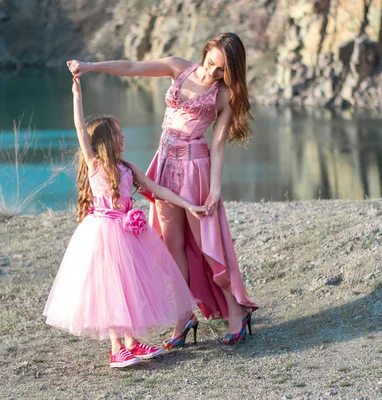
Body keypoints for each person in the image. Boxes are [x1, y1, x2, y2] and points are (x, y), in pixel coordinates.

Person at [66, 32, 258, 346]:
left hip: (195, 168)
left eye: (222, 70)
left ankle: (236, 311)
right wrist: (89, 66)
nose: (212, 73)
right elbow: (131, 67)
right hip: (165, 163)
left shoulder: (222, 95)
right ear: (205, 51)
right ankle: (184, 316)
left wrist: (215, 189)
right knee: (171, 245)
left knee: (206, 242)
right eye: (211, 63)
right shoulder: (177, 67)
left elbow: (219, 146)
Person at [43, 76, 205, 368]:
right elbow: (80, 127)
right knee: (111, 288)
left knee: (130, 287)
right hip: (103, 234)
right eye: (118, 133)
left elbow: (158, 190)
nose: (123, 137)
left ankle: (132, 342)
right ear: (105, 140)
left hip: (129, 236)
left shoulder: (128, 168)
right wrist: (76, 92)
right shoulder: (95, 164)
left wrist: (189, 204)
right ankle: (117, 347)